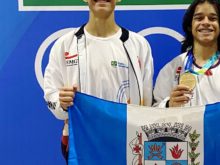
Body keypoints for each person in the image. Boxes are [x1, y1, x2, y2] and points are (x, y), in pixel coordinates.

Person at [43, 0, 153, 162]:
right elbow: (51, 97)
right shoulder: (64, 45)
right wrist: (62, 103)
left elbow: (147, 105)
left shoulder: (138, 45)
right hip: (81, 143)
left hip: (127, 143)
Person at [153, 0, 220, 107]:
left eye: (212, 18)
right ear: (190, 26)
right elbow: (154, 113)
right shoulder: (171, 69)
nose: (206, 22)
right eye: (199, 18)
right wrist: (169, 104)